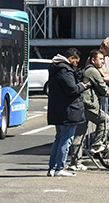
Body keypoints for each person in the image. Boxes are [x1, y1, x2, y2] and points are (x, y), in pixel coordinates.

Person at [67, 49, 109, 170]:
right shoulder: (92, 71)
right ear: (93, 60)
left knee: (79, 134)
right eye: (100, 59)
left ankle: (75, 162)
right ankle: (97, 145)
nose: (102, 61)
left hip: (82, 104)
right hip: (89, 105)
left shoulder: (87, 70)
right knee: (105, 119)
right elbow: (102, 86)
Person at [46, 48, 87, 177]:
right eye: (76, 62)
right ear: (71, 58)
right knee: (66, 139)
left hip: (58, 109)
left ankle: (52, 168)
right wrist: (82, 86)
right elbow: (72, 90)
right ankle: (60, 167)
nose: (75, 65)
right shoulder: (64, 70)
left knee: (58, 138)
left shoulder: (56, 68)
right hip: (68, 110)